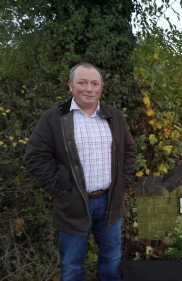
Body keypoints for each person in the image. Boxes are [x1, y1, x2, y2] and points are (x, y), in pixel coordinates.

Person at [25, 62, 137, 280]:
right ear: (70, 85)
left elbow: (129, 150)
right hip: (72, 205)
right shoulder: (54, 118)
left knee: (112, 257)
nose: (89, 88)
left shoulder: (114, 116)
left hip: (109, 203)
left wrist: (123, 181)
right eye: (82, 82)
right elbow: (35, 157)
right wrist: (61, 190)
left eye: (94, 83)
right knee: (72, 266)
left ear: (101, 87)